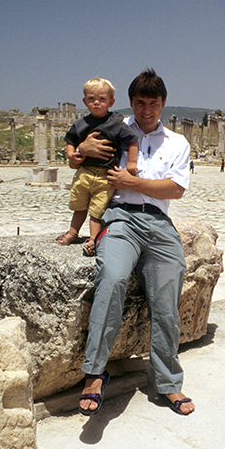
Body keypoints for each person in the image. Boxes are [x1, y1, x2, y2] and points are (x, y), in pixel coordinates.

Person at [77, 68, 195, 416]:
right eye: (140, 103)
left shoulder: (177, 143)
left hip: (159, 224)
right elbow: (79, 159)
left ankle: (168, 383)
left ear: (163, 104)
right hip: (120, 218)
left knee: (167, 297)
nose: (146, 110)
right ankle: (94, 374)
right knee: (111, 279)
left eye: (153, 103)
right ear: (130, 103)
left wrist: (135, 182)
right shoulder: (113, 129)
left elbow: (175, 189)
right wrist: (81, 148)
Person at [56, 77, 139, 255]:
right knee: (79, 205)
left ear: (111, 102)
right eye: (92, 99)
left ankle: (93, 239)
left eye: (102, 99)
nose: (96, 103)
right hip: (84, 172)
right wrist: (71, 153)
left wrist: (132, 162)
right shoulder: (80, 124)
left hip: (105, 175)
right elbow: (70, 141)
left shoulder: (116, 123)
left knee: (97, 211)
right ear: (85, 102)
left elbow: (133, 140)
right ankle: (73, 232)